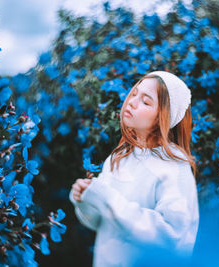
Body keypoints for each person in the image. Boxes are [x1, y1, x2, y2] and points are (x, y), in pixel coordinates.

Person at [70, 71, 199, 267]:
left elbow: (174, 238)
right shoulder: (118, 158)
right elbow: (98, 222)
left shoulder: (174, 167)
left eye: (146, 102)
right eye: (134, 94)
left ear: (161, 118)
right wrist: (85, 200)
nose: (131, 102)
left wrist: (108, 199)